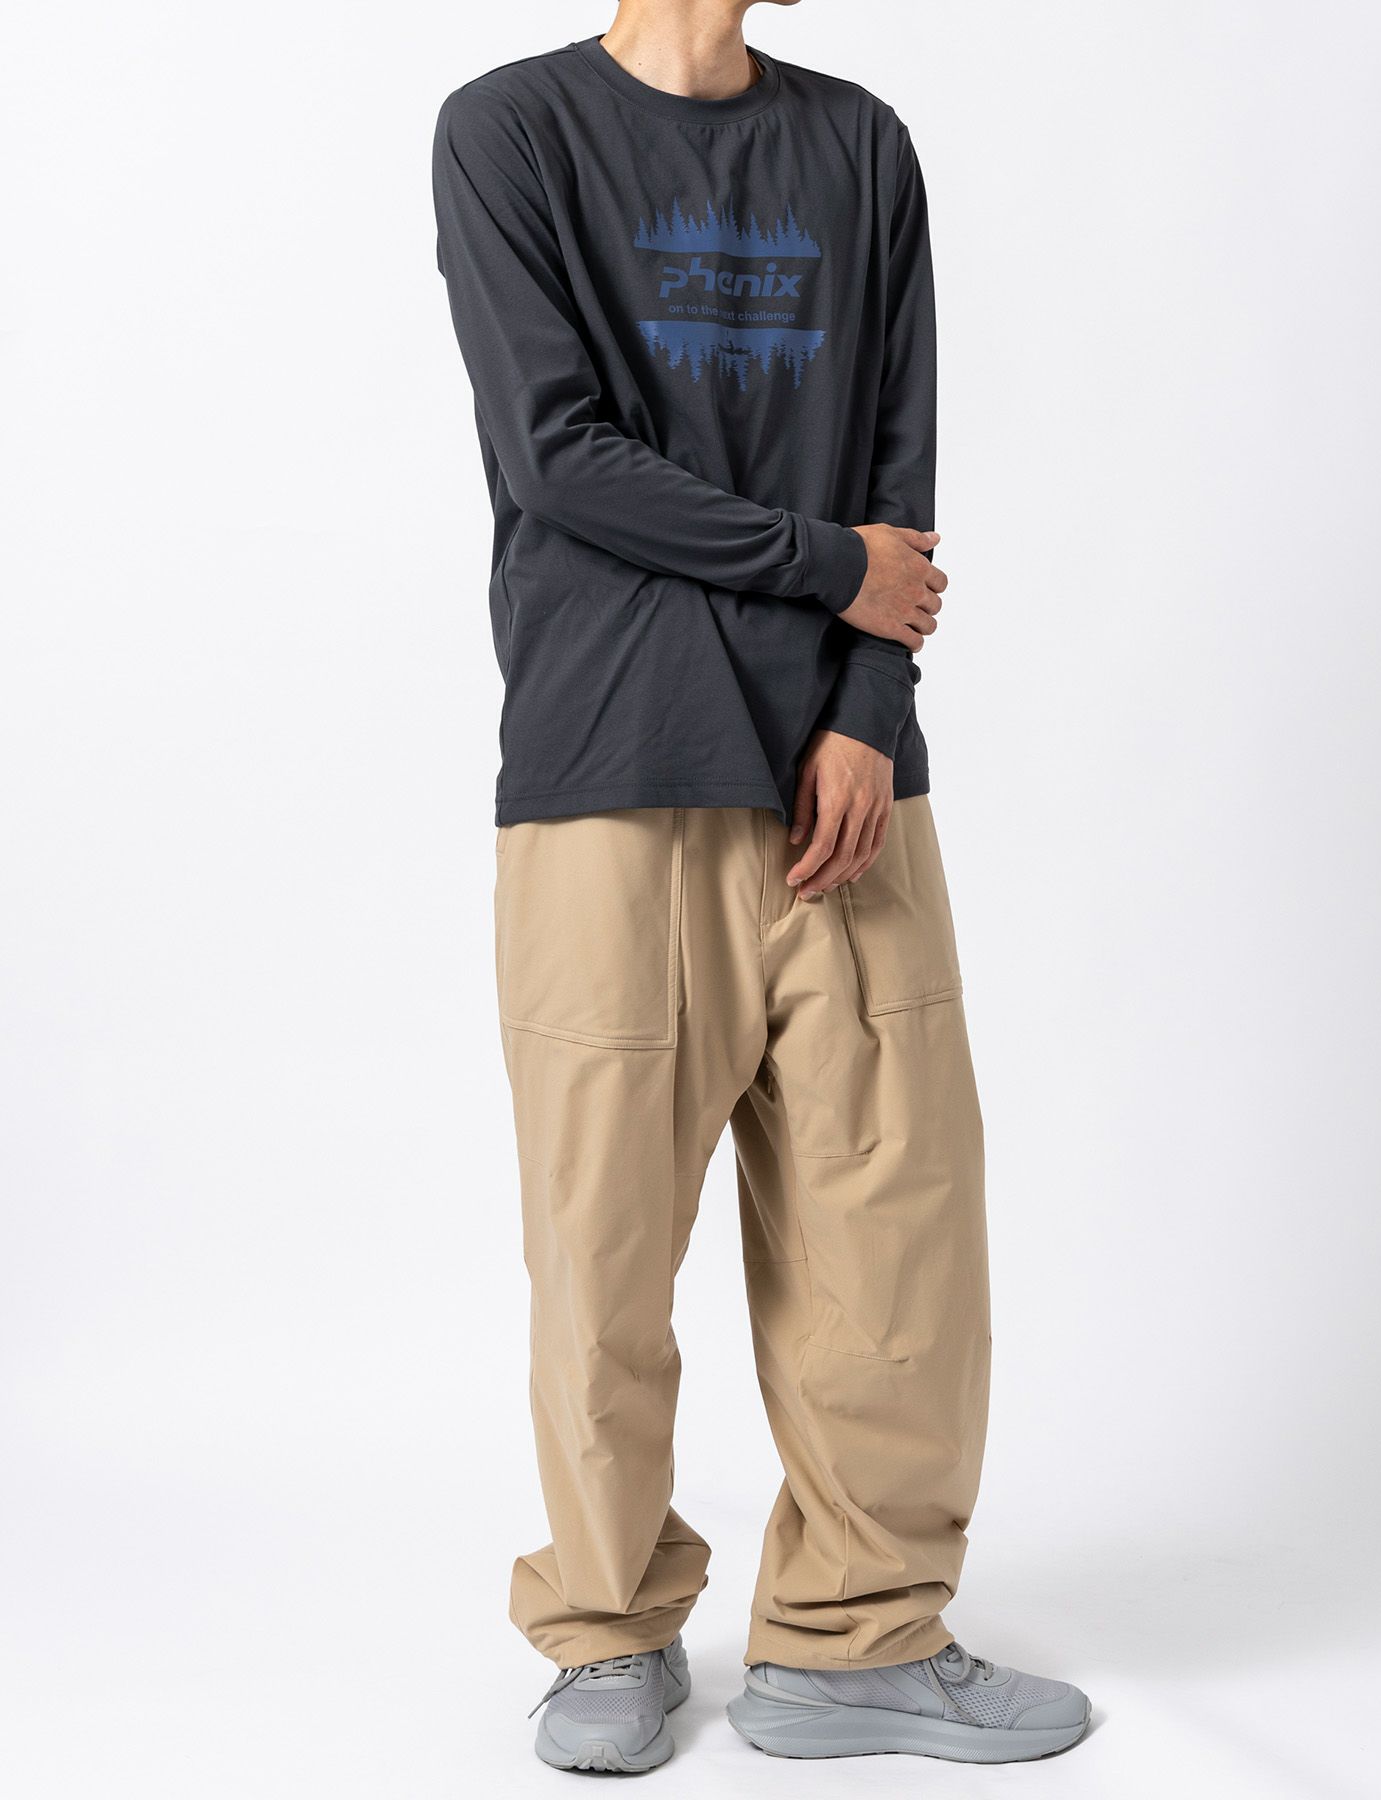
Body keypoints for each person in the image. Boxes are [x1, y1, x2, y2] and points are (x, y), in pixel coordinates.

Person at [432, 0, 1090, 1773]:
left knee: (901, 1234)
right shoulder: (511, 130)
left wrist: (872, 711)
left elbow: (900, 479)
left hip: (843, 786)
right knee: (602, 1246)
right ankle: (606, 1630)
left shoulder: (861, 143)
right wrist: (821, 568)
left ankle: (857, 1642)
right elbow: (558, 452)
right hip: (613, 768)